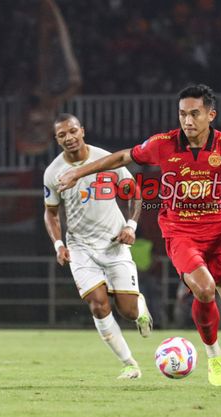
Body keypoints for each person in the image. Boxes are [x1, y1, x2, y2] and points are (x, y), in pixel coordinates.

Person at [57, 84, 221, 388]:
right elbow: (122, 158)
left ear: (211, 115)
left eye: (195, 114)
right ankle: (213, 356)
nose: (187, 120)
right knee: (206, 289)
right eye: (183, 114)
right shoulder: (164, 144)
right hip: (181, 231)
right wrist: (78, 172)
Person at [43, 113, 153, 380]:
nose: (69, 138)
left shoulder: (107, 160)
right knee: (98, 305)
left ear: (82, 130)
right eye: (62, 135)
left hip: (114, 243)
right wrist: (59, 244)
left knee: (127, 311)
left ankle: (139, 307)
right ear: (56, 140)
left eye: (72, 131)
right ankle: (129, 364)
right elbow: (51, 213)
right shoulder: (53, 173)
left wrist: (131, 226)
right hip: (80, 247)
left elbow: (134, 193)